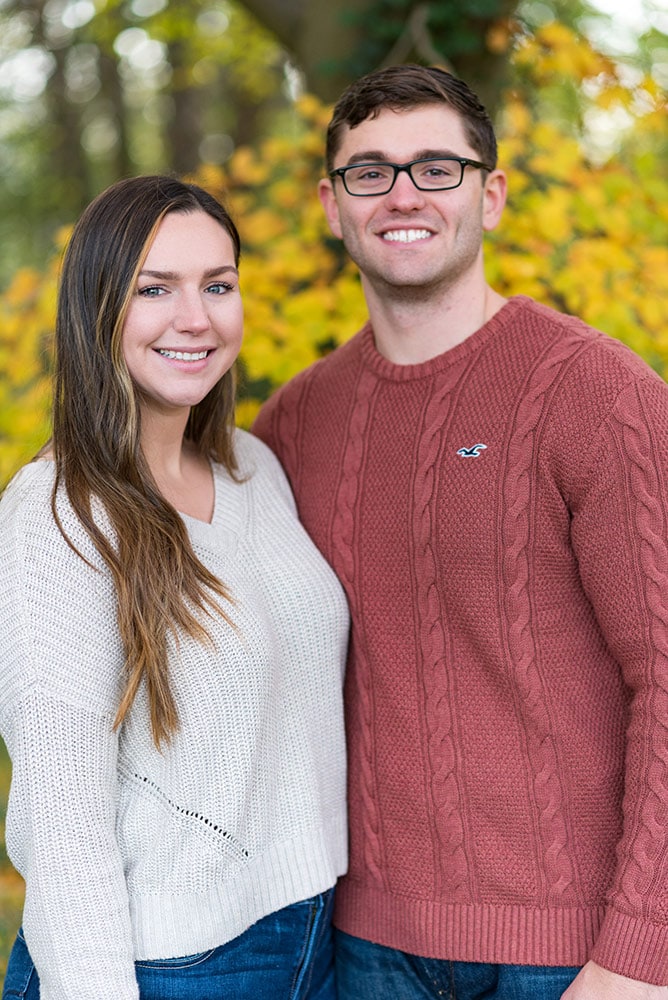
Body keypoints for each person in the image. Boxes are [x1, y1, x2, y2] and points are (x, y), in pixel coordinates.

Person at [252, 64, 668, 999]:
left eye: (437, 168)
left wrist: (643, 951)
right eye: (372, 172)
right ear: (332, 205)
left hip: (572, 954)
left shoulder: (597, 395)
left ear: (493, 195)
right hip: (360, 948)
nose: (404, 194)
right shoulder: (291, 426)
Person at [0, 175, 349, 1000]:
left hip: (310, 934)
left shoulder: (253, 467)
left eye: (217, 286)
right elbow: (62, 825)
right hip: (165, 963)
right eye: (155, 288)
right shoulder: (59, 517)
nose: (196, 317)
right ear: (98, 310)